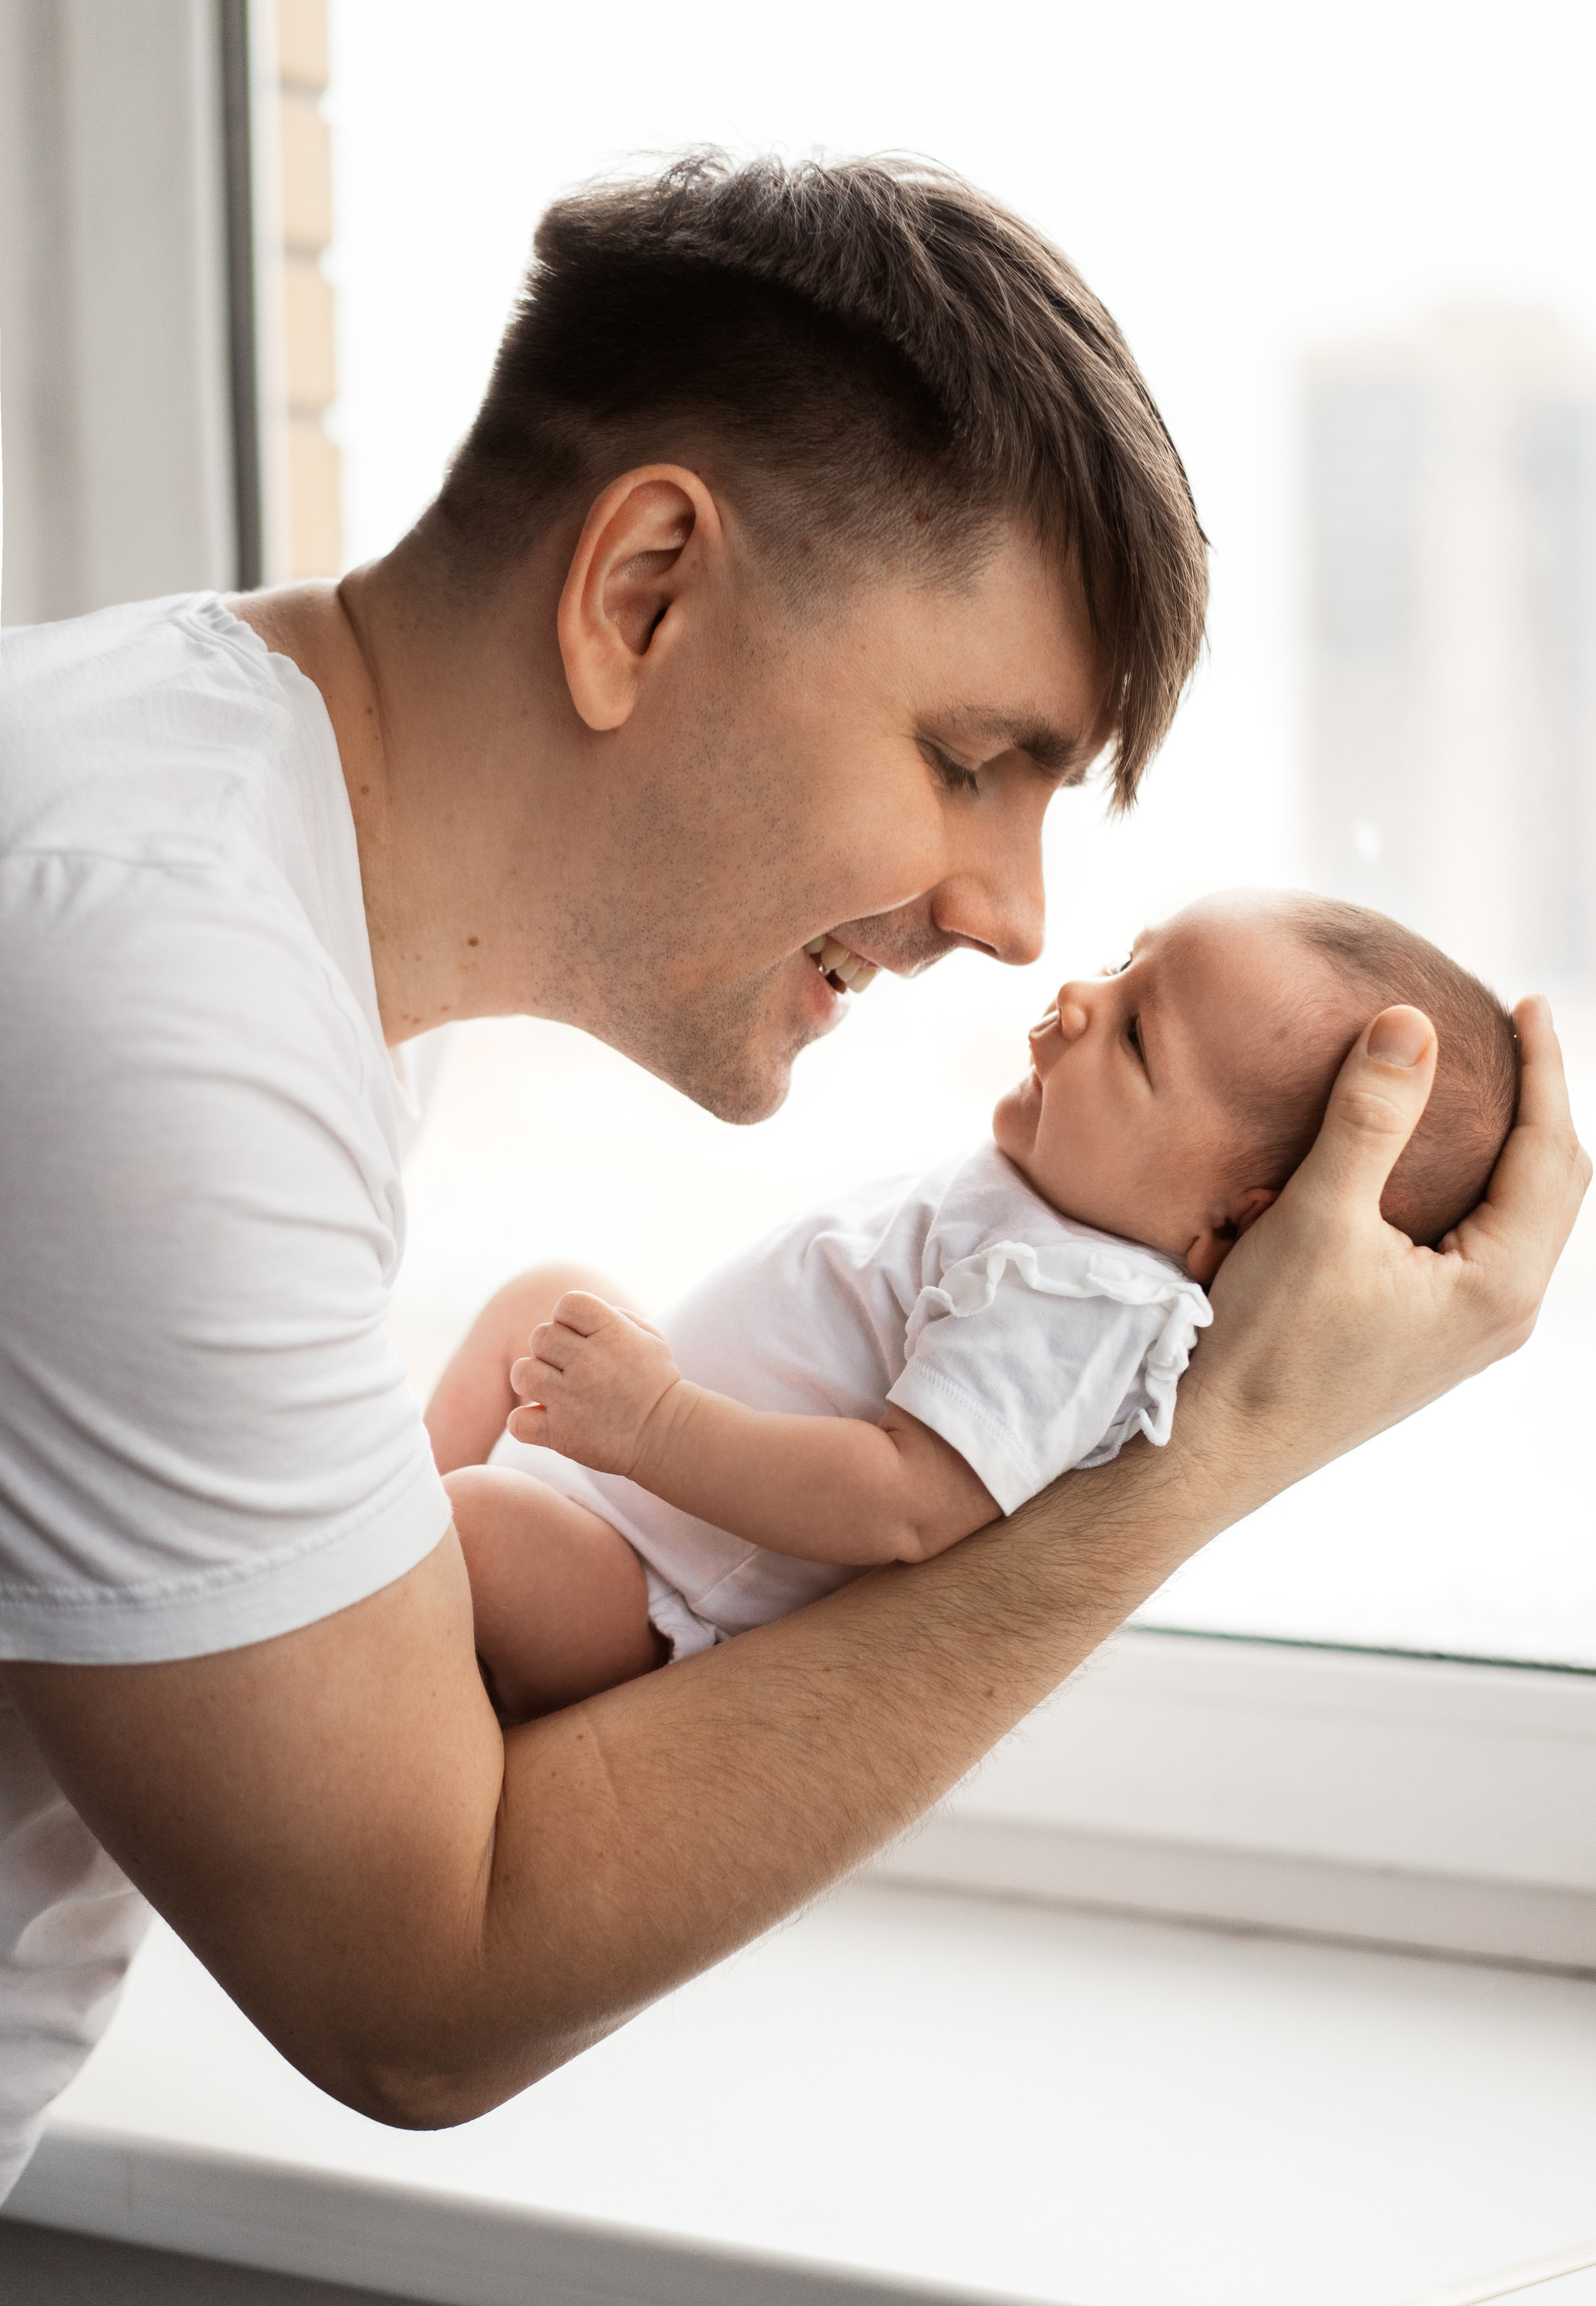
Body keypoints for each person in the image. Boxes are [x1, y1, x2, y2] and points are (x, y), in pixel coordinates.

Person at [0, 154, 1585, 2198]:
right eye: (972, 759)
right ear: (643, 589)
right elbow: (417, 1990)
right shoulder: (150, 986)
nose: (1019, 921)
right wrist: (1214, 1450)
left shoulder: (219, 856)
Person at [441, 889, 1521, 1719]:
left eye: (1139, 1037)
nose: (1081, 999)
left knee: (470, 1525)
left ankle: (368, 1611)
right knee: (542, 1302)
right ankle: (370, 1541)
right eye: (1122, 966)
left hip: (650, 1591)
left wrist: (656, 1423)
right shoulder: (1055, 1215)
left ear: (1235, 1226)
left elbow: (902, 1505)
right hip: (616, 1488)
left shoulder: (1082, 1302)